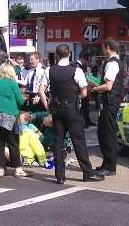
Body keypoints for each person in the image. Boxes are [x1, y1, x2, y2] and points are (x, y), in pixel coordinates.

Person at [49, 44, 104, 184]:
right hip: (72, 109)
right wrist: (75, 98)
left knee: (58, 143)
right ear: (69, 54)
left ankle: (60, 176)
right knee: (79, 141)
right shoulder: (76, 70)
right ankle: (87, 173)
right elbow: (84, 93)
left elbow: (47, 90)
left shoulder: (50, 70)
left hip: (56, 109)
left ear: (56, 54)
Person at [0, 62, 27, 178]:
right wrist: (24, 98)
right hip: (10, 117)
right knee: (13, 143)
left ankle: (0, 169)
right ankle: (18, 169)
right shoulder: (12, 84)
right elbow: (20, 101)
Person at [92, 38, 123, 176]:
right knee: (102, 133)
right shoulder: (111, 62)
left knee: (108, 134)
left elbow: (108, 86)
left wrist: (95, 88)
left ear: (108, 47)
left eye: (103, 48)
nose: (102, 51)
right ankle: (106, 163)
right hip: (108, 102)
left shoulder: (112, 63)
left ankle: (110, 167)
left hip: (110, 102)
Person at [76, 51, 95, 128]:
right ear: (84, 59)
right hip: (79, 90)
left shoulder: (83, 65)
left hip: (85, 88)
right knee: (80, 107)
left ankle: (87, 121)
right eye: (87, 60)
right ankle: (82, 123)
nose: (87, 62)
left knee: (86, 106)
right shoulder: (76, 65)